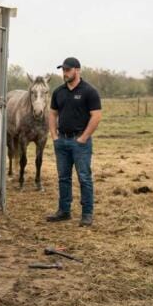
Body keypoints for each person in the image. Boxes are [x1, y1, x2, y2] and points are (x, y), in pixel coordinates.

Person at [45, 57, 102, 227]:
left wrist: (84, 137)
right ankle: (64, 211)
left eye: (68, 70)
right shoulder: (58, 92)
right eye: (63, 70)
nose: (65, 73)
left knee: (84, 178)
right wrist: (54, 136)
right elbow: (52, 114)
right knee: (63, 178)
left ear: (77, 70)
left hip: (80, 142)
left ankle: (87, 214)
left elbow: (96, 116)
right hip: (61, 141)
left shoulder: (89, 91)